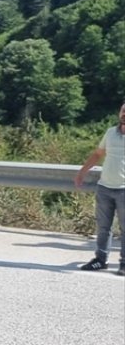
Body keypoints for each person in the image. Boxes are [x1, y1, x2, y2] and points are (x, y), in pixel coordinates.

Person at [74, 103, 125, 275]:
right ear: (119, 113)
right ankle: (100, 260)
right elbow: (98, 154)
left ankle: (124, 263)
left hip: (124, 189)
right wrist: (82, 172)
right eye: (123, 111)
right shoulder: (110, 132)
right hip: (104, 187)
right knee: (103, 227)